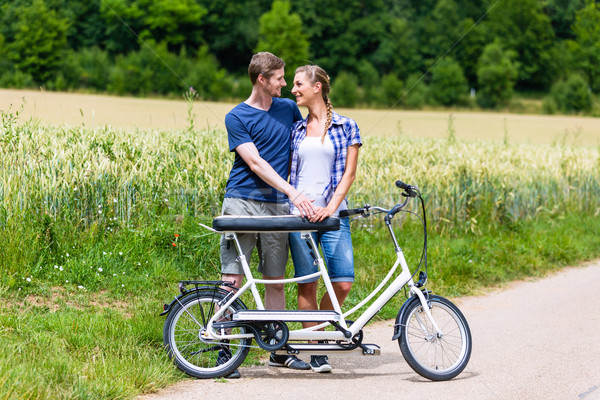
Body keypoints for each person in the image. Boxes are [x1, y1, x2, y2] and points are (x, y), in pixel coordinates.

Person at [219, 52, 316, 377]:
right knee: (232, 278)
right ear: (262, 79)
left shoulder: (287, 109)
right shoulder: (237, 117)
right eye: (279, 78)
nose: (285, 84)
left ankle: (278, 349)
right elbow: (256, 163)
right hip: (241, 203)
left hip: (277, 207)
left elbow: (315, 122)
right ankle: (224, 350)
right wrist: (293, 192)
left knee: (276, 280)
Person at [288, 64, 362, 373]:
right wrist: (296, 202)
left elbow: (349, 174)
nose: (293, 89)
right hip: (299, 217)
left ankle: (322, 333)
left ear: (317, 87)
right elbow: (290, 175)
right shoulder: (296, 129)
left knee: (342, 282)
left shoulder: (346, 126)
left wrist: (330, 207)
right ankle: (317, 349)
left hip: (334, 216)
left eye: (298, 84)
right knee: (308, 284)